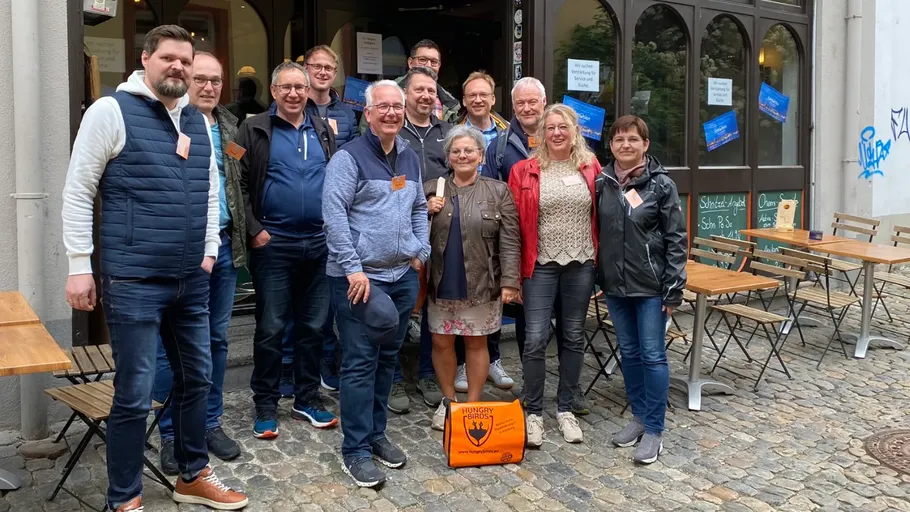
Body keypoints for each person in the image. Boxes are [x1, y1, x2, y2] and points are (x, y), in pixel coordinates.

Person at [62, 25, 247, 511]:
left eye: (185, 61)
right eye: (168, 58)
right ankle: (124, 498)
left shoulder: (199, 122)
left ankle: (191, 475)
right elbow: (79, 189)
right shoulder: (111, 111)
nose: (178, 68)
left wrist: (209, 252)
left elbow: (211, 194)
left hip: (190, 280)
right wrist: (79, 265)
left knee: (197, 381)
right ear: (146, 59)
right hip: (134, 280)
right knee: (135, 391)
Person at [323, 80, 430, 488]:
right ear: (367, 114)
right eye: (381, 107)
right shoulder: (348, 159)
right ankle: (355, 450)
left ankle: (377, 435)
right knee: (360, 363)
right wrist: (353, 269)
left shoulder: (408, 155)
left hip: (402, 275)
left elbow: (419, 205)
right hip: (359, 281)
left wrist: (421, 251)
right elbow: (333, 217)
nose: (390, 113)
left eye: (396, 107)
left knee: (388, 360)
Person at [152, 51, 245, 475]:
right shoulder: (167, 120)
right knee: (173, 347)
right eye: (201, 79)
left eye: (216, 80)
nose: (209, 87)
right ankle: (171, 433)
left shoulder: (227, 124)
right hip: (180, 252)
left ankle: (208, 423)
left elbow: (237, 182)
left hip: (223, 247)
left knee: (217, 341)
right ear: (187, 79)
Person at [237, 61, 338, 440]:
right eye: (287, 87)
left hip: (318, 244)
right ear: (275, 91)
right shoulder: (253, 128)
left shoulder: (323, 129)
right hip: (273, 243)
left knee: (314, 326)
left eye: (301, 87)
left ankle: (306, 398)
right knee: (272, 327)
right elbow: (239, 183)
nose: (294, 93)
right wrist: (254, 229)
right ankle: (265, 403)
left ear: (309, 90)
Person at [508, 104, 601, 447]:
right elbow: (513, 226)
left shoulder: (590, 167)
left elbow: (603, 216)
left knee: (574, 335)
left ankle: (564, 409)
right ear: (541, 133)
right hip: (540, 264)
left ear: (575, 130)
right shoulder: (523, 170)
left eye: (563, 127)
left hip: (581, 263)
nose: (557, 133)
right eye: (551, 128)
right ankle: (533, 411)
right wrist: (512, 274)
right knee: (534, 338)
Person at [598, 115, 687, 464]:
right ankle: (637, 417)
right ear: (611, 146)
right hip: (616, 287)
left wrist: (673, 288)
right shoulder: (603, 182)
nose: (625, 145)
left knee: (653, 356)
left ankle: (654, 430)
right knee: (630, 354)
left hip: (651, 287)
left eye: (633, 139)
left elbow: (676, 239)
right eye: (619, 139)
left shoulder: (661, 185)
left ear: (645, 145)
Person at [277, 45, 361, 398]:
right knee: (286, 307)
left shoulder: (348, 113)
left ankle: (326, 364)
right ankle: (285, 368)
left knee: (323, 303)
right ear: (305, 68)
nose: (323, 72)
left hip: (332, 219)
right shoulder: (292, 105)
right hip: (291, 220)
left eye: (329, 67)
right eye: (316, 66)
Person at [424, 125, 520, 431]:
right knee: (441, 342)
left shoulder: (498, 190)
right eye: (456, 151)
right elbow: (406, 225)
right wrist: (425, 210)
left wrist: (510, 282)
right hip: (441, 280)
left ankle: (473, 404)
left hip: (483, 281)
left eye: (469, 150)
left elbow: (510, 239)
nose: (463, 155)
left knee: (477, 344)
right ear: (448, 157)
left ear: (481, 155)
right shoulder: (431, 188)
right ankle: (450, 401)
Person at [388, 66, 451, 414]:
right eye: (419, 90)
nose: (425, 96)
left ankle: (428, 373)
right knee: (400, 304)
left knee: (434, 308)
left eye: (431, 90)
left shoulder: (447, 132)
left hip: (441, 230)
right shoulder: (393, 132)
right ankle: (394, 376)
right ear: (405, 94)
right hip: (400, 230)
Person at [451, 72, 514, 393]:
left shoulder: (506, 133)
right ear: (464, 101)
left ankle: (494, 358)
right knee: (464, 296)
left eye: (483, 95)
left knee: (492, 297)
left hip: (497, 221)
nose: (477, 100)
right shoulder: (453, 133)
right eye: (471, 95)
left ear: (492, 99)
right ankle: (464, 363)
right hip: (463, 222)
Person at [358, 39, 461, 133]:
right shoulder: (385, 92)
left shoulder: (450, 103)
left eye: (434, 62)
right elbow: (366, 133)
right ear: (410, 63)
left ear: (439, 66)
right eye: (422, 60)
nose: (428, 65)